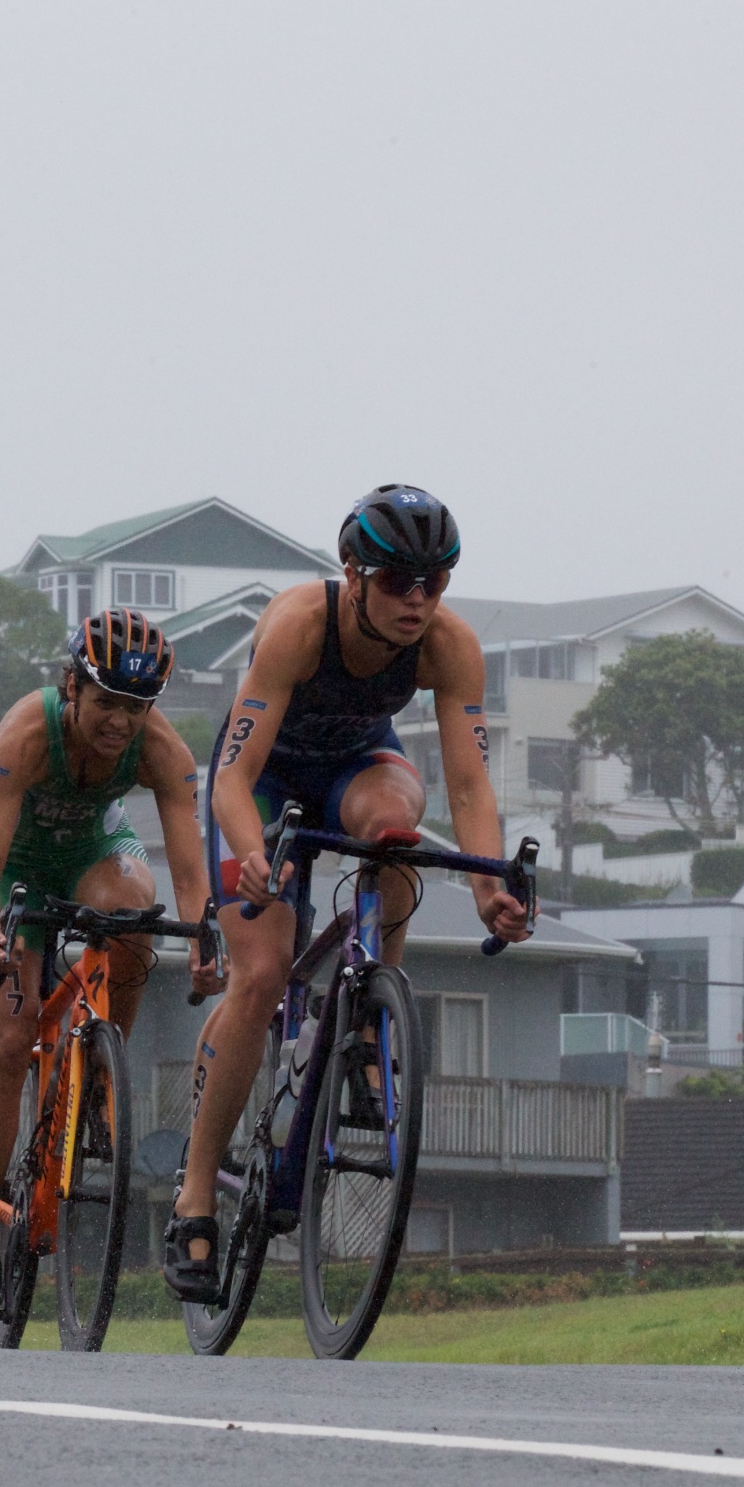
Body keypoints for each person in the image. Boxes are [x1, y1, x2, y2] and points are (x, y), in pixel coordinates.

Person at [163, 483, 535, 1301]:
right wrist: (253, 852)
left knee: (396, 826)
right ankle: (194, 1196)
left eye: (435, 582)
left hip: (356, 768)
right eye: (399, 580)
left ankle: (369, 1002)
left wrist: (487, 888)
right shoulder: (300, 623)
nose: (418, 601)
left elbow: (470, 791)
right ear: (353, 573)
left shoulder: (448, 644)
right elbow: (231, 776)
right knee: (260, 975)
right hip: (258, 783)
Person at [0, 609, 222, 1313]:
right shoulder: (27, 733)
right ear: (72, 687)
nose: (120, 722)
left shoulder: (162, 749)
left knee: (137, 912)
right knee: (8, 1043)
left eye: (136, 708)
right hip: (11, 871)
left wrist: (201, 939)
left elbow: (192, 875)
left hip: (90, 857)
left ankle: (101, 1059)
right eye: (106, 703)